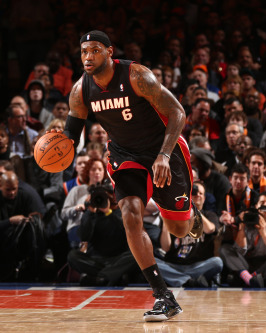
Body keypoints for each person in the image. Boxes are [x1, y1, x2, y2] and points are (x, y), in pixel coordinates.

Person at [62, 30, 202, 322]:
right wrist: (57, 145)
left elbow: (177, 113)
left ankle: (191, 214)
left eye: (95, 50)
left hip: (165, 149)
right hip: (126, 155)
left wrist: (163, 155)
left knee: (179, 230)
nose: (88, 56)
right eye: (84, 51)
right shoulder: (80, 90)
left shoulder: (137, 76)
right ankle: (163, 295)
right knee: (130, 212)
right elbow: (70, 137)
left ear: (110, 52)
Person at [67, 179, 139, 287]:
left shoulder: (121, 211)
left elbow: (126, 230)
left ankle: (99, 277)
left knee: (136, 254)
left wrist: (108, 212)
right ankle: (110, 276)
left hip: (117, 258)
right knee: (72, 256)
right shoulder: (90, 214)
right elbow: (84, 236)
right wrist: (90, 212)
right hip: (95, 260)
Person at [155, 181, 223, 287]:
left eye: (201, 193)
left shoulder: (210, 215)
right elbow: (166, 247)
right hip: (174, 265)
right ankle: (187, 280)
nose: (198, 195)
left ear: (204, 198)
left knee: (217, 262)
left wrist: (194, 209)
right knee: (152, 263)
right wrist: (165, 221)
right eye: (195, 193)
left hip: (198, 266)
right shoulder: (174, 216)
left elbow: (209, 229)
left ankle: (180, 279)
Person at [219, 191, 266, 287]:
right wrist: (242, 227)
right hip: (248, 265)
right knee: (225, 248)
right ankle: (250, 279)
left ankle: (252, 278)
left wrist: (263, 233)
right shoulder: (249, 221)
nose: (265, 206)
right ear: (256, 206)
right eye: (262, 203)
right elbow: (240, 251)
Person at [0, 171, 46, 281]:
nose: (12, 192)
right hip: (2, 238)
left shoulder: (25, 196)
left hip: (23, 237)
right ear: (0, 186)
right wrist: (11, 221)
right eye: (8, 190)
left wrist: (33, 218)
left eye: (14, 189)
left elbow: (36, 215)